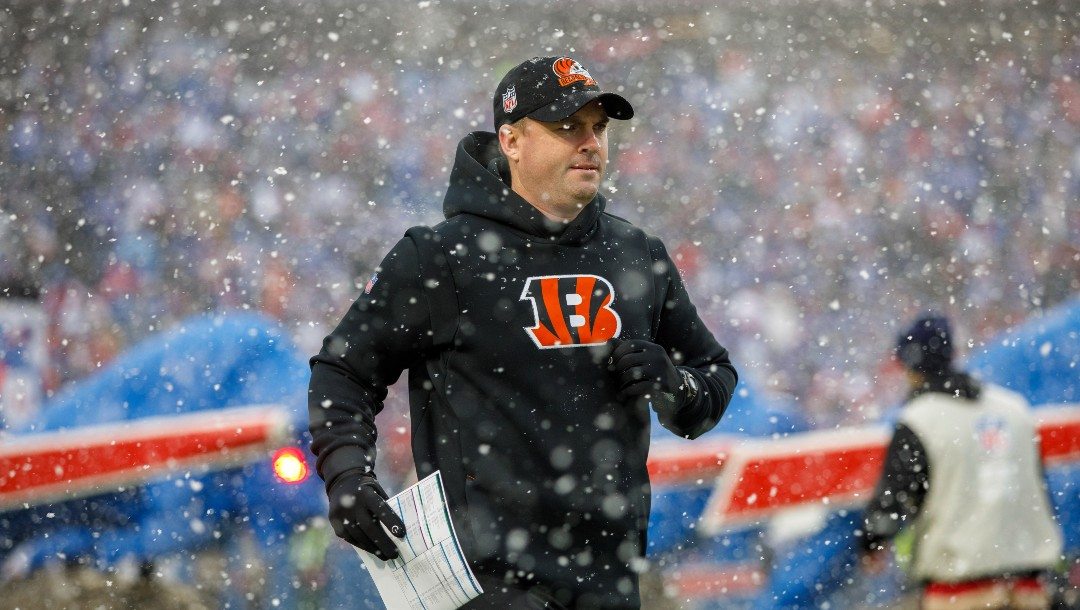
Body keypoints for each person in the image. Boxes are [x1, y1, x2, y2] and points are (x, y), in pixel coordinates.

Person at [306, 55, 738, 609]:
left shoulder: (636, 254)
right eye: (566, 128)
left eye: (598, 128)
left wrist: (677, 385)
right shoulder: (441, 257)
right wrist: (347, 475)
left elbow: (713, 379)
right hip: (484, 583)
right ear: (511, 141)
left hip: (607, 578)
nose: (590, 143)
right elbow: (343, 371)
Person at [860, 314, 1063, 610]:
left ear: (908, 367)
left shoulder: (919, 421)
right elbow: (1039, 493)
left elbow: (891, 505)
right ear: (952, 354)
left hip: (959, 591)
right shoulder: (1014, 410)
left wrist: (871, 543)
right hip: (1030, 587)